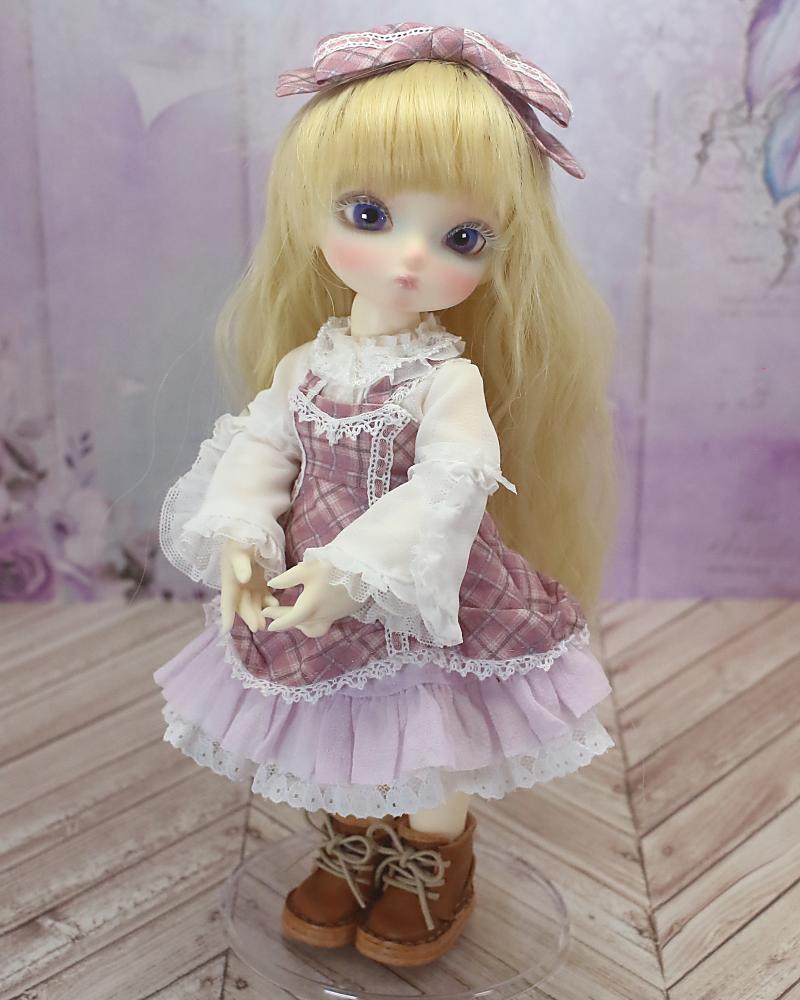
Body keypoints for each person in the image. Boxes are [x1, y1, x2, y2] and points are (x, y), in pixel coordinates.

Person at [155, 22, 619, 967]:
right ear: (312, 214)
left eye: (460, 237)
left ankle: (433, 857)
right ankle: (353, 841)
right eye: (368, 215)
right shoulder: (306, 365)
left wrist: (355, 570)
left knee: (427, 734)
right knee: (336, 727)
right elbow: (261, 449)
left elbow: (453, 482)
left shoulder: (445, 379)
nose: (410, 258)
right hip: (312, 595)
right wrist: (242, 534)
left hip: (420, 591)